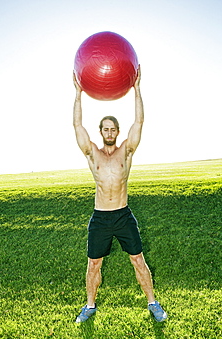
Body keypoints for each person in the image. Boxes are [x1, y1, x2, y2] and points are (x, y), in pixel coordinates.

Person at [73, 66, 167, 323]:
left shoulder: (126, 151)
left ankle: (153, 303)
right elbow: (77, 125)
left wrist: (137, 89)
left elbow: (139, 122)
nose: (110, 132)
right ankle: (89, 306)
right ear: (101, 132)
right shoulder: (93, 154)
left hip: (124, 216)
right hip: (101, 218)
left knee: (138, 259)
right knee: (93, 264)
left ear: (117, 131)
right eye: (105, 129)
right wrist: (78, 93)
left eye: (113, 128)